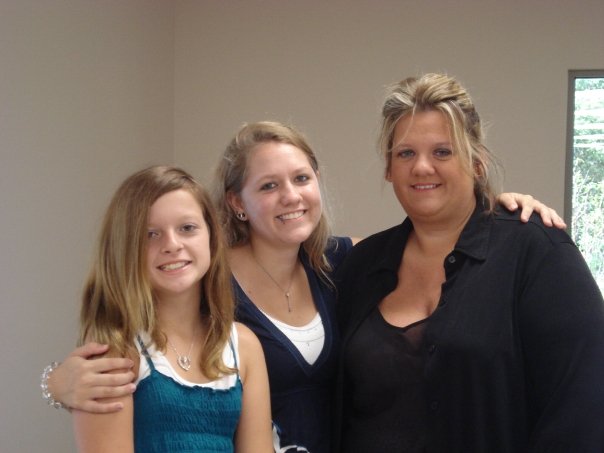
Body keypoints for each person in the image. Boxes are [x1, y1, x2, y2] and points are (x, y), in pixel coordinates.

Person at [43, 123, 565, 452]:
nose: (290, 196)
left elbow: (430, 235)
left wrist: (500, 208)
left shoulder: (344, 263)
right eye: (268, 185)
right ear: (236, 203)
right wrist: (55, 384)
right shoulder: (205, 276)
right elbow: (150, 340)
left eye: (301, 178)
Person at [333, 73, 604, 452]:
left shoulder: (537, 251)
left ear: (477, 162)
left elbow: (582, 407)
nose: (422, 167)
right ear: (389, 168)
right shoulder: (360, 266)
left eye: (442, 152)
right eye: (405, 153)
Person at [69, 165, 272, 452]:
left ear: (212, 237)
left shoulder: (244, 346)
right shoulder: (115, 349)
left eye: (187, 228)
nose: (172, 245)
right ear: (124, 248)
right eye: (150, 234)